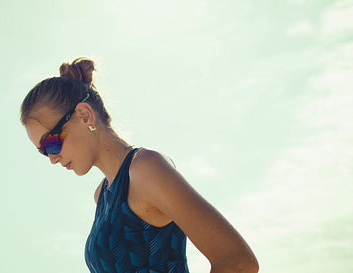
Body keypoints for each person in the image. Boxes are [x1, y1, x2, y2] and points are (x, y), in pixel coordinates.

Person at [20, 57, 259, 273]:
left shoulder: (145, 169)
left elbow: (238, 262)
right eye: (43, 152)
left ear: (84, 115)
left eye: (51, 143)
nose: (52, 158)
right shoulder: (101, 197)